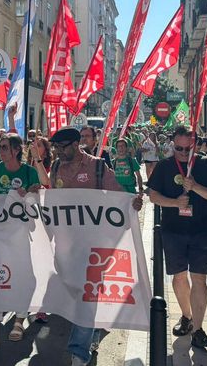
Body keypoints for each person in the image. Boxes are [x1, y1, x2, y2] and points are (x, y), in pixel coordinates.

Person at [46, 128, 141, 366]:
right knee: (73, 290)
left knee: (87, 294)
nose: (58, 152)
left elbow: (118, 196)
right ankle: (93, 330)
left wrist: (132, 203)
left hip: (94, 245)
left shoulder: (98, 167)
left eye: (62, 147)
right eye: (55, 148)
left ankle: (79, 352)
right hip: (66, 245)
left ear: (76, 144)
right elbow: (51, 201)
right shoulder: (56, 167)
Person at [146, 126, 207, 350]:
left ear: (194, 145)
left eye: (187, 149)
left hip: (201, 230)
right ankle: (186, 316)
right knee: (179, 277)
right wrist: (174, 203)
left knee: (199, 279)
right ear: (172, 144)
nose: (182, 153)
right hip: (173, 231)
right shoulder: (165, 165)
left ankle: (198, 330)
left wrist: (195, 186)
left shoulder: (206, 164)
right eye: (178, 148)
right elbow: (153, 195)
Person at [0, 133, 41, 351]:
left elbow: (38, 199)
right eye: (0, 147)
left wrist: (28, 193)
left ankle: (19, 320)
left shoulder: (29, 172)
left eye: (4, 147)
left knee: (23, 274)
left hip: (20, 234)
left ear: (16, 150)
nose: (0, 151)